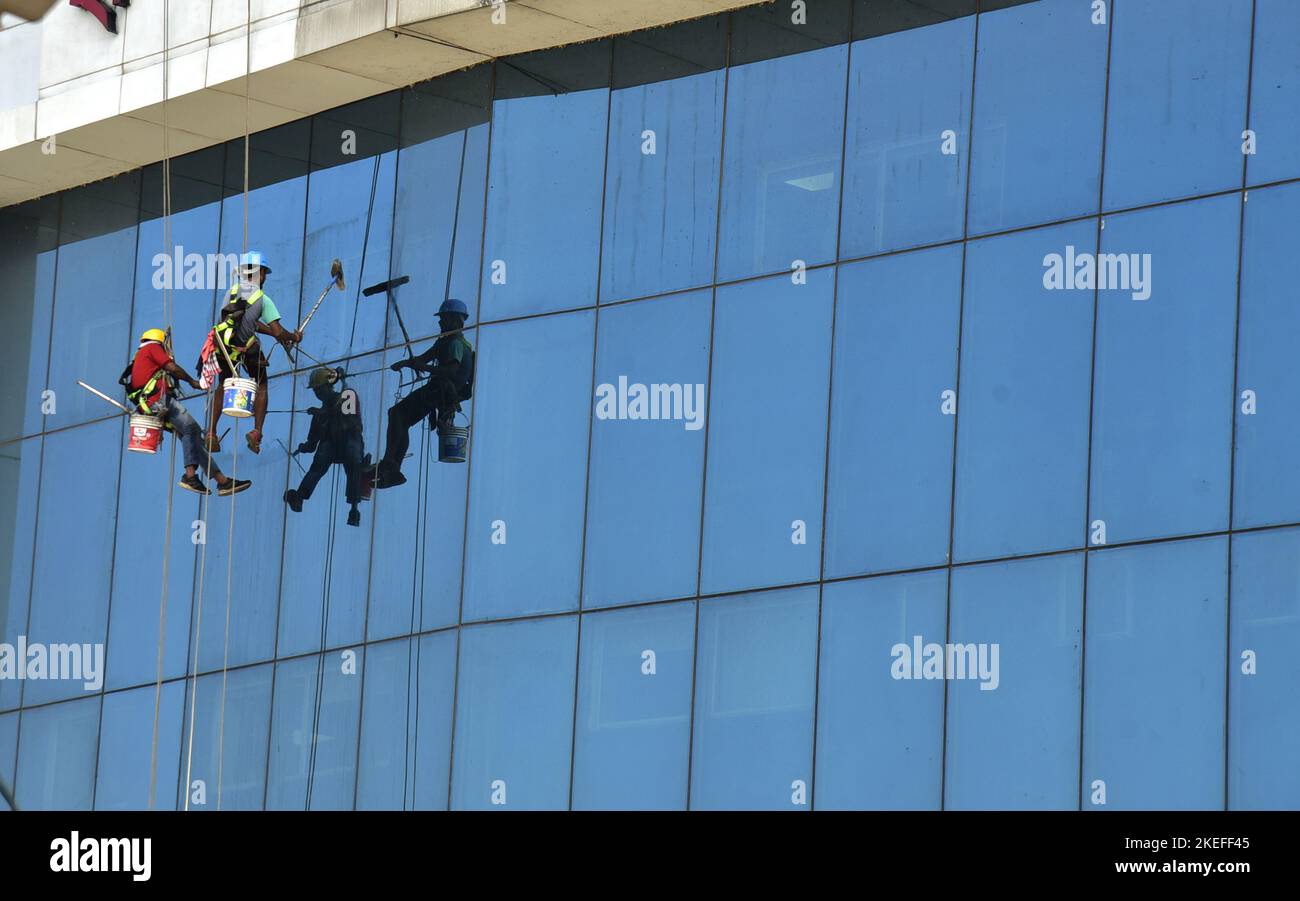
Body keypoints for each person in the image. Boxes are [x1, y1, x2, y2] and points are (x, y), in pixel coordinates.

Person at [125, 328, 251, 496]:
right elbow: (172, 368)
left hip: (151, 405)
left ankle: (222, 481)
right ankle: (190, 476)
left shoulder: (140, 355)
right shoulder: (152, 348)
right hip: (159, 401)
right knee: (191, 429)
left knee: (193, 439)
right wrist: (192, 381)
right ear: (160, 341)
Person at [201, 251, 301, 455]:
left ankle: (211, 432)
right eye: (264, 273)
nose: (264, 278)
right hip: (248, 347)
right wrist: (293, 336)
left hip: (224, 345)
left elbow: (246, 321)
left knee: (223, 384)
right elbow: (277, 331)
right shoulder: (263, 299)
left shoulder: (231, 292)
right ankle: (257, 432)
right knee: (261, 384)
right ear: (260, 273)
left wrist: (272, 334)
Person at [372, 298, 475, 489]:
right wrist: (406, 363)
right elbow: (423, 359)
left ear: (455, 319)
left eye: (443, 318)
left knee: (397, 414)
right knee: (401, 418)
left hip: (440, 391)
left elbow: (451, 370)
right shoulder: (448, 342)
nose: (439, 322)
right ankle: (392, 467)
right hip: (441, 392)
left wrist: (423, 366)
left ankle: (390, 464)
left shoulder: (455, 343)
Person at [284, 367, 367, 527]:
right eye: (316, 390)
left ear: (328, 386)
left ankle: (354, 509)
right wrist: (302, 447)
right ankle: (300, 497)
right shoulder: (318, 415)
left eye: (319, 388)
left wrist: (323, 414)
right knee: (318, 465)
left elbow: (350, 420)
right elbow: (312, 443)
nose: (318, 393)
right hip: (331, 446)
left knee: (353, 464)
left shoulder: (346, 396)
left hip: (350, 440)